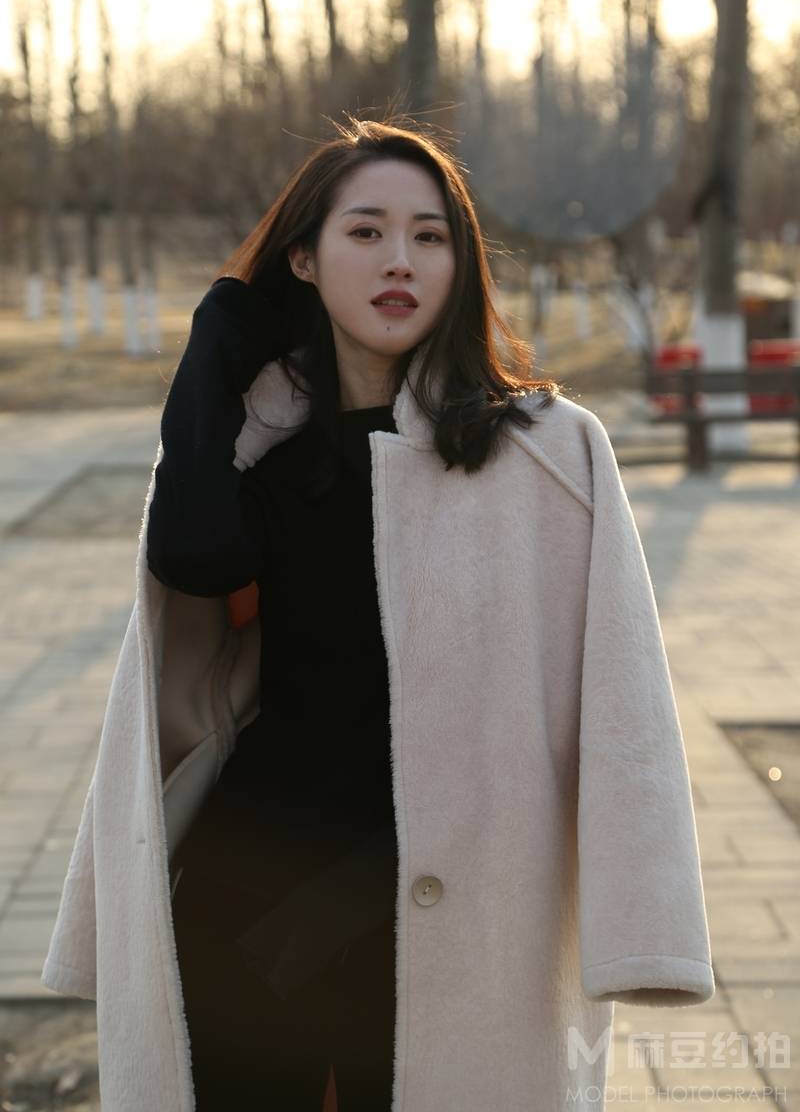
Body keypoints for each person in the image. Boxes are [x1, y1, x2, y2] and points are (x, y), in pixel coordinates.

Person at [41, 116, 714, 1112]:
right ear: (304, 258)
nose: (400, 259)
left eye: (429, 236)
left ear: (459, 263)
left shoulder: (546, 453)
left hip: (457, 921)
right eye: (365, 232)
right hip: (250, 892)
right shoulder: (260, 452)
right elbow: (195, 557)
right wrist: (216, 340)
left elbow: (626, 708)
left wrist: (643, 930)